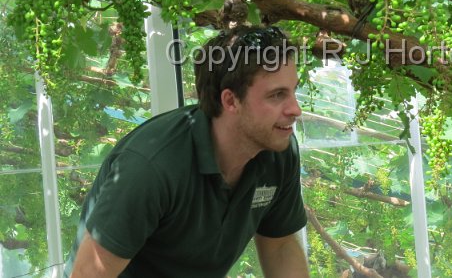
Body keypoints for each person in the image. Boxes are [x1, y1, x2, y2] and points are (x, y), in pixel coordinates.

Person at [63, 26, 309, 278]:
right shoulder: (151, 168)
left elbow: (280, 247)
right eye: (277, 95)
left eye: (293, 91)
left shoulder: (277, 150)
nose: (295, 109)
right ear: (230, 101)